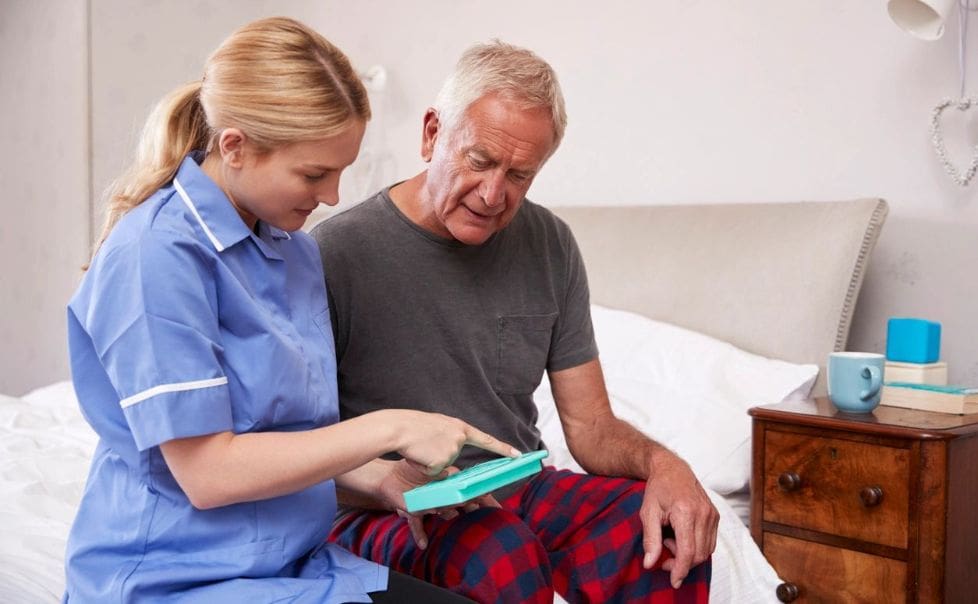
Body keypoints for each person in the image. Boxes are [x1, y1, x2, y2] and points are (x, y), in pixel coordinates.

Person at [63, 17, 518, 603]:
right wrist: (394, 426)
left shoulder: (293, 250)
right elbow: (209, 473)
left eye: (341, 172)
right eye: (314, 174)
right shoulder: (155, 255)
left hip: (293, 564)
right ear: (235, 146)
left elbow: (279, 439)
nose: (331, 196)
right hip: (174, 579)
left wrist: (385, 479)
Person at [311, 40, 719, 603]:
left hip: (511, 488)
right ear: (432, 133)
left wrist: (665, 465)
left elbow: (592, 429)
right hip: (385, 504)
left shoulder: (550, 245)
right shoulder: (336, 253)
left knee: (660, 527)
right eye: (478, 161)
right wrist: (386, 480)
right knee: (499, 548)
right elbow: (301, 444)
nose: (492, 194)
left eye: (520, 175)